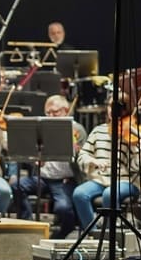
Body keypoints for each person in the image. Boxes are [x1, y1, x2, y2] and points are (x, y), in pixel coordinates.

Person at [72, 98, 141, 233]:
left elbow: (135, 169)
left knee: (109, 194)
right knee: (79, 193)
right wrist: (94, 161)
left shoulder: (132, 133)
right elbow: (82, 155)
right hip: (100, 180)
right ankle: (94, 233)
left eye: (118, 107)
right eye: (110, 106)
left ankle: (109, 234)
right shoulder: (98, 131)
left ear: (126, 110)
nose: (113, 110)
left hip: (127, 181)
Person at [15, 95, 87, 237]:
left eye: (55, 112)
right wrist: (35, 159)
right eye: (48, 113)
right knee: (17, 186)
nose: (51, 116)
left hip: (64, 180)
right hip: (43, 178)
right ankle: (28, 225)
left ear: (66, 110)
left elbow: (84, 157)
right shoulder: (42, 127)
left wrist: (74, 150)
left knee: (63, 208)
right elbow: (32, 151)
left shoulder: (77, 129)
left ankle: (62, 235)